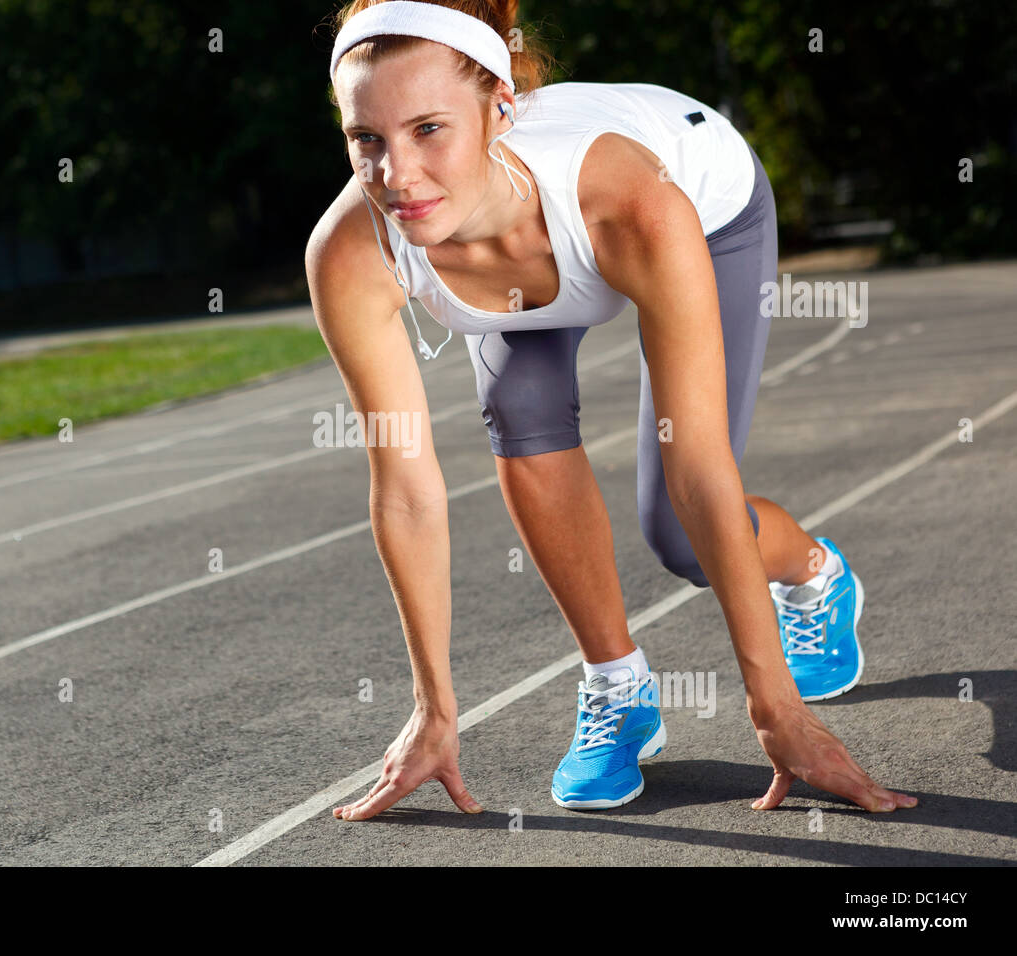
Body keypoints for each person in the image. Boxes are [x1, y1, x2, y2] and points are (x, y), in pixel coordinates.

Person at [304, 0, 917, 819]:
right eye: (365, 139)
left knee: (678, 528)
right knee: (519, 409)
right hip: (517, 247)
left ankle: (813, 574)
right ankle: (617, 689)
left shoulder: (635, 204)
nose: (396, 176)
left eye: (427, 130)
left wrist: (778, 711)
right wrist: (434, 710)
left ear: (499, 111)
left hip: (701, 200)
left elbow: (701, 471)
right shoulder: (349, 250)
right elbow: (407, 493)